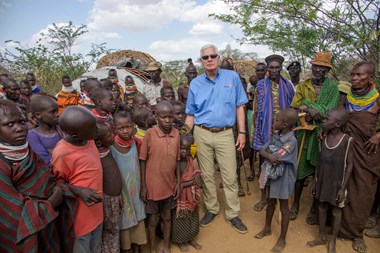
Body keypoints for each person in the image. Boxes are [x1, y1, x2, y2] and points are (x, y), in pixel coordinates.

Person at [184, 44, 248, 233]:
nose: (209, 59)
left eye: (213, 56)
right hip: (201, 133)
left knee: (229, 175)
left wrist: (242, 132)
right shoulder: (195, 83)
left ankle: (233, 213)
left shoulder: (232, 77)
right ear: (201, 61)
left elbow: (239, 107)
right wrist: (182, 135)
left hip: (226, 133)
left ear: (218, 58)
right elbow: (190, 114)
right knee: (206, 175)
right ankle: (212, 208)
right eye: (205, 57)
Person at [0, 99, 76, 253]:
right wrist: (50, 204)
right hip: (28, 230)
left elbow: (47, 178)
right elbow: (12, 212)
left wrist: (59, 188)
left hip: (48, 225)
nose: (19, 128)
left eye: (22, 122)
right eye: (10, 124)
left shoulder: (27, 151)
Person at [289, 51, 340, 223]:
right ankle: (295, 203)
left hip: (323, 133)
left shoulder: (332, 88)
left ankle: (313, 207)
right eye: (315, 66)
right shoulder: (303, 86)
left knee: (319, 173)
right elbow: (295, 107)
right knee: (300, 172)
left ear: (327, 70)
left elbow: (330, 110)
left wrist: (309, 106)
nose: (318, 69)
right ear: (311, 67)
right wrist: (308, 109)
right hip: (304, 131)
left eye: (322, 67)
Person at [51, 106, 103, 253]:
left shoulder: (89, 140)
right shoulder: (62, 153)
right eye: (93, 128)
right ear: (75, 136)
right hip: (79, 218)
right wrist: (78, 190)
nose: (97, 130)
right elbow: (56, 182)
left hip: (96, 211)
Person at [340, 62, 380, 253]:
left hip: (367, 150)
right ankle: (340, 228)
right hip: (347, 147)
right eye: (353, 74)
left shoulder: (377, 97)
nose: (354, 78)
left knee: (363, 190)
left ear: (370, 77)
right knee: (343, 186)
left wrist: (378, 136)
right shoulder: (346, 96)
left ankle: (357, 234)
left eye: (359, 75)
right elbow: (339, 118)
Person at [252, 54, 295, 212]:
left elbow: (292, 109)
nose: (274, 70)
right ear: (267, 69)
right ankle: (264, 198)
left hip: (283, 132)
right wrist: (256, 130)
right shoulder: (261, 86)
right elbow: (256, 109)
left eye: (277, 67)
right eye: (271, 67)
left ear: (281, 68)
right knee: (264, 165)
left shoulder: (288, 86)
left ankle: (278, 196)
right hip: (265, 129)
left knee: (280, 163)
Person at [307, 108, 353, 253]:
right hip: (323, 179)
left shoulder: (347, 140)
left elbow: (350, 164)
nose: (324, 121)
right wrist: (315, 181)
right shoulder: (323, 137)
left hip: (337, 182)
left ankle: (332, 238)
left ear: (338, 124)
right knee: (321, 206)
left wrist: (342, 187)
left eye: (327, 119)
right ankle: (321, 236)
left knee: (336, 211)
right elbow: (320, 161)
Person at [254, 108, 298, 253]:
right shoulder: (275, 135)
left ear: (285, 125)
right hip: (272, 176)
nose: (274, 122)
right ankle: (267, 227)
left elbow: (276, 157)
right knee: (270, 202)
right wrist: (269, 154)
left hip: (284, 178)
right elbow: (262, 151)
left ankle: (282, 239)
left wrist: (268, 154)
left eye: (277, 120)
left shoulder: (292, 141)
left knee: (284, 208)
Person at [140, 101, 181, 253]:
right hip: (152, 187)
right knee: (153, 220)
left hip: (169, 186)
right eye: (164, 117)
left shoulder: (176, 134)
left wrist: (177, 182)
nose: (168, 120)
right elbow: (142, 161)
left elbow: (177, 160)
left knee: (167, 217)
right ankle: (151, 249)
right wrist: (143, 186)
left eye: (171, 117)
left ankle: (166, 246)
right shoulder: (150, 134)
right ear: (157, 117)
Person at [111, 111, 147, 253]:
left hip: (136, 189)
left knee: (138, 217)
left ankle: (137, 248)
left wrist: (144, 186)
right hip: (122, 192)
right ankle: (127, 249)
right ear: (115, 129)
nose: (125, 131)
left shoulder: (137, 143)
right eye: (121, 128)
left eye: (128, 127)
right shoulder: (111, 146)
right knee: (125, 221)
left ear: (133, 126)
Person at [94, 120, 123, 253]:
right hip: (106, 204)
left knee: (115, 233)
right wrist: (105, 217)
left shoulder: (106, 151)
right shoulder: (96, 160)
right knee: (109, 234)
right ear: (99, 142)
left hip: (114, 200)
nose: (114, 135)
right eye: (110, 134)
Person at [171, 135, 202, 252]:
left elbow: (196, 171)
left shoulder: (190, 159)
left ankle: (191, 238)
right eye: (182, 148)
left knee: (192, 217)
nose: (185, 151)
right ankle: (180, 241)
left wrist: (197, 175)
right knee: (180, 218)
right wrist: (188, 183)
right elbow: (175, 182)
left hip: (191, 195)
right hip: (180, 196)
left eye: (187, 149)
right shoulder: (175, 163)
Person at [27, 95, 62, 166]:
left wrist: (54, 153)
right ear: (38, 115)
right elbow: (45, 161)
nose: (57, 115)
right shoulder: (33, 135)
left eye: (57, 111)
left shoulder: (60, 129)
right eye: (52, 112)